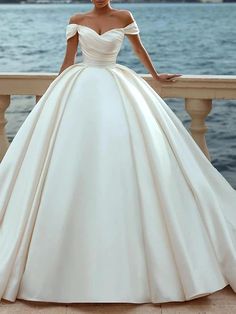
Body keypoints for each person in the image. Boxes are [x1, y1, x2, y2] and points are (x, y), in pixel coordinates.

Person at [0, 0, 236, 305]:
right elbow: (68, 61)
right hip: (80, 88)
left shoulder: (124, 16)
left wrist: (154, 75)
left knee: (122, 150)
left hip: (115, 83)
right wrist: (53, 95)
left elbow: (139, 49)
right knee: (73, 157)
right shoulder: (77, 18)